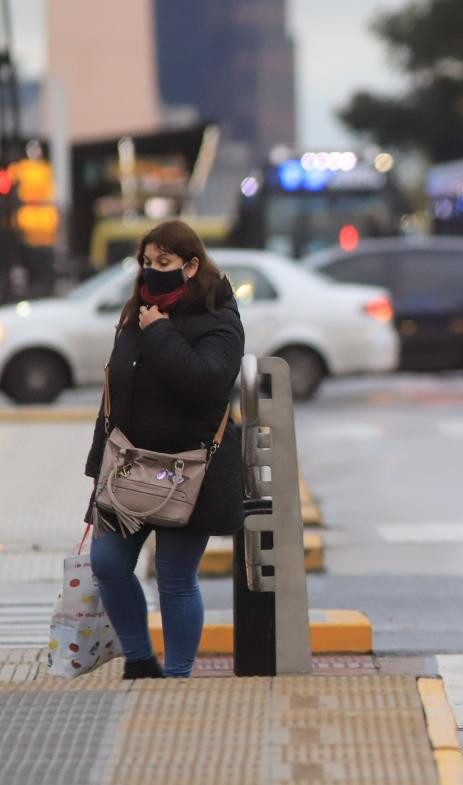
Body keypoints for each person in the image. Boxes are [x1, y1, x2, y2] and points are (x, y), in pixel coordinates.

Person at [84, 220, 246, 679]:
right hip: (128, 468)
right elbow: (113, 393)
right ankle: (139, 659)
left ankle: (177, 675)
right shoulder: (136, 313)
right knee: (107, 564)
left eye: (164, 263)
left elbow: (205, 383)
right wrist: (99, 465)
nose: (151, 272)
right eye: (146, 263)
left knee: (175, 579)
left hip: (187, 470)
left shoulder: (219, 318)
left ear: (191, 266)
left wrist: (159, 334)